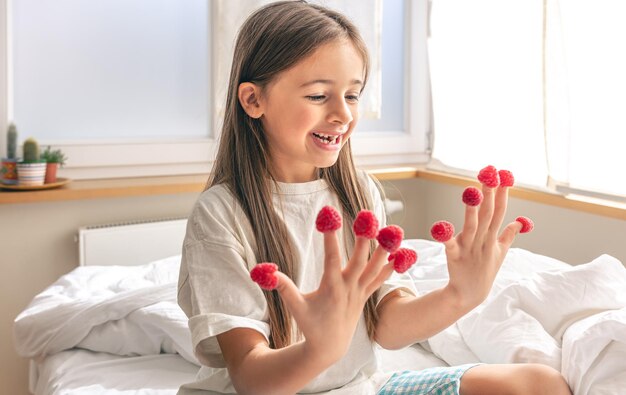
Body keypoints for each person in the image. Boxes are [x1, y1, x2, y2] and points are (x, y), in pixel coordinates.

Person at [177, 1, 572, 394]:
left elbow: (386, 324)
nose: (343, 115)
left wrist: (461, 295)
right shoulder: (220, 214)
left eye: (352, 95)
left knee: (539, 384)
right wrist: (319, 350)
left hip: (357, 387)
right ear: (253, 100)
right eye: (318, 96)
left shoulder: (360, 191)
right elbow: (251, 377)